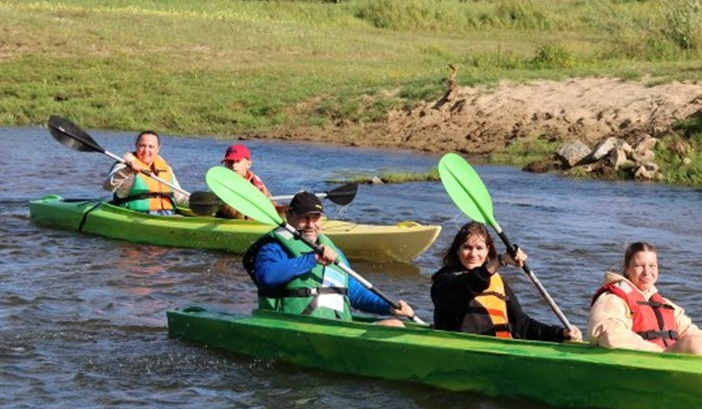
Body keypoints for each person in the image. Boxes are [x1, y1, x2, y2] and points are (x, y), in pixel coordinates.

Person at [243, 191, 414, 327]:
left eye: (315, 218)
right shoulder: (274, 247)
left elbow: (354, 293)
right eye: (304, 218)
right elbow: (267, 276)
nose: (310, 225)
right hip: (291, 326)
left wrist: (388, 307)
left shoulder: (333, 252)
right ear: (289, 216)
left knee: (395, 323)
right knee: (394, 326)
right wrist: (312, 259)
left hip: (336, 328)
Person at [430, 222, 582, 342]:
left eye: (479, 248)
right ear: (457, 250)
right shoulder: (445, 280)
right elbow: (469, 285)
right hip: (462, 349)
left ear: (487, 250)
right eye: (467, 247)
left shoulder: (496, 281)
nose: (473, 254)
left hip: (498, 348)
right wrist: (501, 261)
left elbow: (521, 324)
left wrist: (560, 333)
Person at [587, 241, 702, 355]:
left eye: (652, 266)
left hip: (665, 359)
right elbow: (611, 336)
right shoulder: (612, 299)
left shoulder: (665, 304)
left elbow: (691, 331)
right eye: (639, 266)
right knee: (691, 343)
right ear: (626, 268)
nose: (647, 272)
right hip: (646, 361)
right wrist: (660, 352)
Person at [101, 130, 187, 215]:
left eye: (151, 147)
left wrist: (196, 202)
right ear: (136, 146)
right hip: (136, 215)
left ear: (158, 149)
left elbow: (179, 197)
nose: (146, 150)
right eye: (142, 146)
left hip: (167, 213)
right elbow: (108, 186)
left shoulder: (166, 168)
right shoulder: (124, 166)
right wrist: (128, 170)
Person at [217, 143, 270, 219]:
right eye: (230, 162)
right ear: (225, 164)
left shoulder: (257, 183)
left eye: (238, 161)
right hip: (234, 222)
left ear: (248, 164)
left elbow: (272, 205)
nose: (234, 165)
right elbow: (236, 215)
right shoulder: (219, 185)